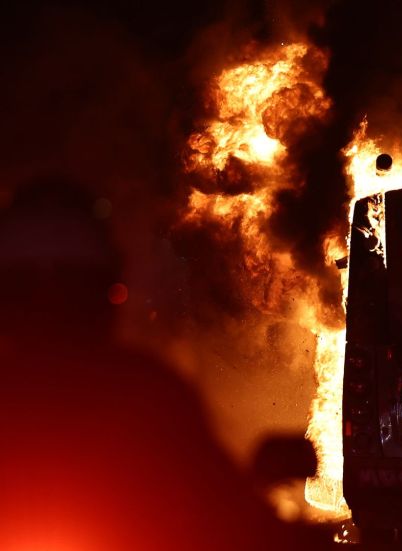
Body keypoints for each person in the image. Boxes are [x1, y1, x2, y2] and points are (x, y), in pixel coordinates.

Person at [0, 178, 313, 550]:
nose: (52, 312)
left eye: (69, 292)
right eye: (34, 292)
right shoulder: (150, 392)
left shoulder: (151, 395)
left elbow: (220, 503)